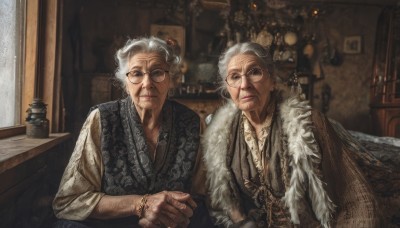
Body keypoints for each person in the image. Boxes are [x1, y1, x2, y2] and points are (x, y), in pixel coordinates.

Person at [202, 42, 382, 227]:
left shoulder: (309, 123)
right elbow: (221, 199)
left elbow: (353, 195)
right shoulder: (223, 134)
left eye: (254, 72)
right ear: (227, 88)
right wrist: (242, 222)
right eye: (234, 77)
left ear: (272, 81)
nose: (244, 84)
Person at [53, 36, 211, 228]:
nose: (147, 83)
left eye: (157, 73)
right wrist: (141, 205)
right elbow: (69, 201)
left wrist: (170, 216)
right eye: (136, 74)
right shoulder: (102, 119)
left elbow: (201, 197)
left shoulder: (192, 123)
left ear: (171, 80)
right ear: (125, 84)